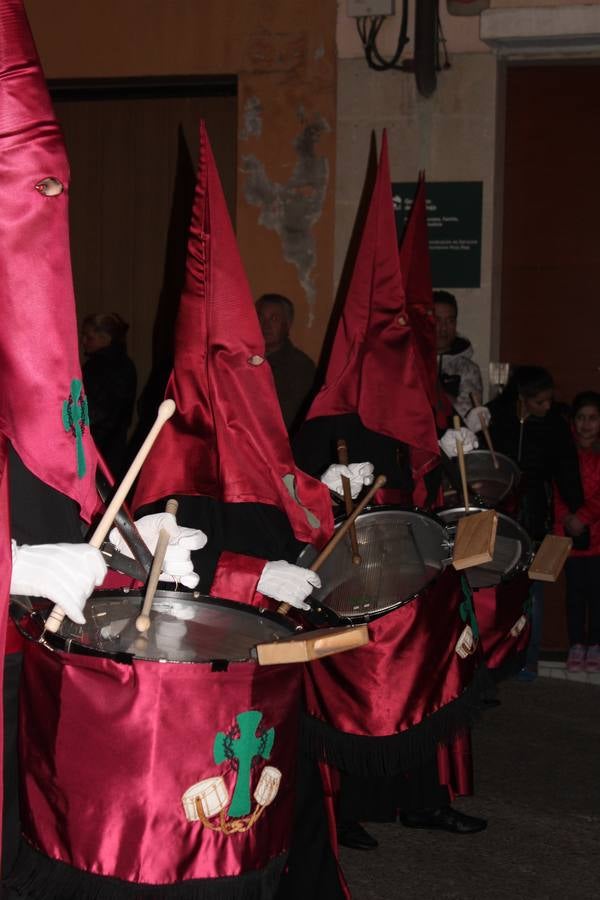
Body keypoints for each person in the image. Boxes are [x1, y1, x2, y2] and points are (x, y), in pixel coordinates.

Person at [487, 366, 584, 679]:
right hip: (498, 515)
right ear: (521, 398)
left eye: (548, 401)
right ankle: (495, 660)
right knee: (497, 591)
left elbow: (567, 469)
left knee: (533, 590)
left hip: (535, 514)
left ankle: (528, 663)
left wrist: (576, 510)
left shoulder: (554, 425)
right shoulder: (494, 417)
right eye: (539, 402)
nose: (547, 407)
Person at [554, 391, 600, 673]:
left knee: (596, 596)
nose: (586, 424)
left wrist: (582, 517)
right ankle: (576, 645)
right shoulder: (564, 452)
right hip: (569, 537)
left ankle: (595, 644)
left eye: (593, 418)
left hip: (597, 536)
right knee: (574, 596)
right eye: (581, 418)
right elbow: (555, 491)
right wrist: (567, 518)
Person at [81, 312, 137, 477]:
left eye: (89, 337)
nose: (83, 341)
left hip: (97, 445)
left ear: (106, 338)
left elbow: (95, 410)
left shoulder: (97, 367)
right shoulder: (126, 365)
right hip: (116, 445)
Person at [256, 293, 316, 432]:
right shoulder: (240, 359)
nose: (265, 325)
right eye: (260, 317)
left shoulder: (301, 367)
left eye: (274, 319)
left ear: (287, 324)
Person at [434, 290, 487, 428]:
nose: (443, 328)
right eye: (437, 320)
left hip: (456, 444)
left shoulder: (468, 369)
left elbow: (469, 416)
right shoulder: (410, 363)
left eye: (450, 321)